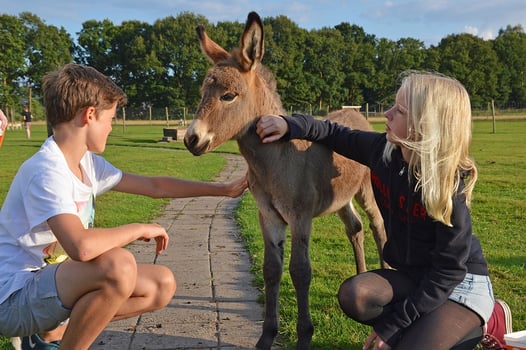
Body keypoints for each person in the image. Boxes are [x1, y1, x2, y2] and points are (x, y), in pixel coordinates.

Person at [255, 71, 511, 350]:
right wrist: (288, 124)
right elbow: (331, 132)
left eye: (399, 110)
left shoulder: (448, 188)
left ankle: (490, 319)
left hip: (458, 286)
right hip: (414, 277)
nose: (387, 114)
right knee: (354, 295)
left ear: (424, 126)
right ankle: (424, 324)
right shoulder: (383, 151)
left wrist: (392, 327)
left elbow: (447, 273)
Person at [0, 63, 248, 350]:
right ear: (89, 115)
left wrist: (224, 190)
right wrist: (138, 229)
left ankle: (52, 332)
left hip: (48, 287)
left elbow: (156, 187)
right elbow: (80, 247)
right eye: (110, 118)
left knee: (160, 285)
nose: (110, 126)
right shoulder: (47, 170)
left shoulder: (87, 163)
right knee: (118, 265)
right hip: (12, 299)